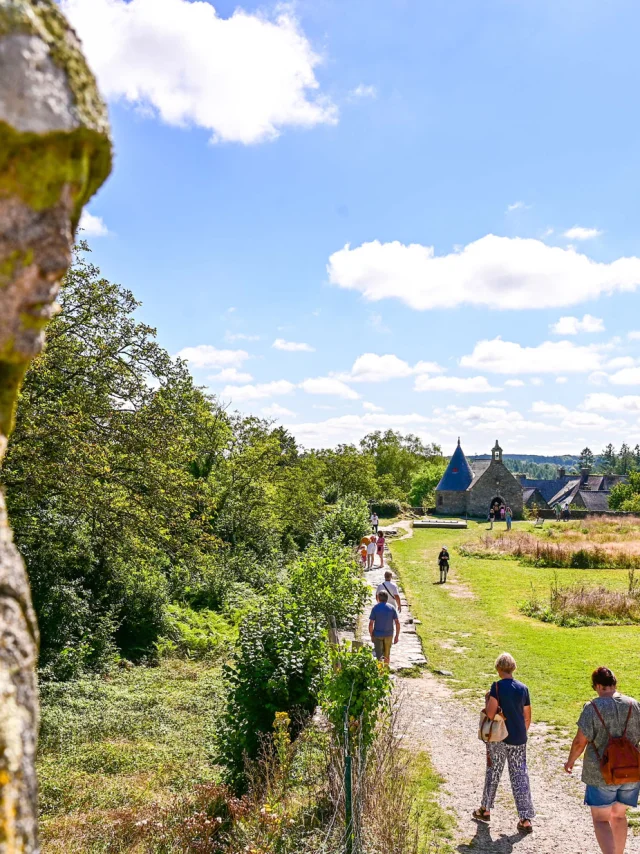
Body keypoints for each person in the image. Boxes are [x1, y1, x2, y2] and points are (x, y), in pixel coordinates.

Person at [564, 667, 640, 854]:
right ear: (615, 683)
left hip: (601, 773)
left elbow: (580, 741)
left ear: (598, 685)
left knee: (601, 819)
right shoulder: (634, 705)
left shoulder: (592, 707)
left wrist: (570, 761)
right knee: (620, 817)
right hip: (631, 771)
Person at [473, 652, 535, 834]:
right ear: (513, 668)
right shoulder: (523, 688)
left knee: (493, 772)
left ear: (499, 669)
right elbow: (527, 717)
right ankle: (525, 818)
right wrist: (520, 732)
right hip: (518, 738)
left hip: (499, 738)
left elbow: (491, 714)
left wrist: (487, 701)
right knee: (520, 776)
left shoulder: (497, 687)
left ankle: (485, 809)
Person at [368, 590, 400, 665]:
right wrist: (397, 636)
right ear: (387, 598)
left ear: (378, 598)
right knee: (387, 654)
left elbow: (370, 624)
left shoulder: (375, 608)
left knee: (379, 656)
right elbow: (397, 622)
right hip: (389, 634)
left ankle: (380, 672)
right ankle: (386, 671)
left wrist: (371, 635)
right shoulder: (392, 608)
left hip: (377, 634)